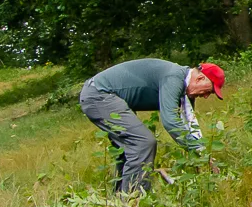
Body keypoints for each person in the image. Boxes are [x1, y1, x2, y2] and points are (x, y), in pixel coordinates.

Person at [79, 58, 224, 195]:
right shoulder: (174, 78)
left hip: (104, 95)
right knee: (143, 143)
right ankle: (134, 203)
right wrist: (200, 153)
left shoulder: (184, 91)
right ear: (200, 78)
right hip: (99, 94)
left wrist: (202, 156)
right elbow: (171, 122)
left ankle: (121, 200)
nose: (206, 96)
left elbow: (188, 127)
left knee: (129, 150)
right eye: (209, 91)